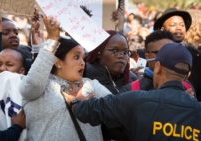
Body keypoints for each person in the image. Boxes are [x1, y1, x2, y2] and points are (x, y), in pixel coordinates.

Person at [64, 43, 201, 141]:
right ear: (187, 75)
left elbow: (86, 111)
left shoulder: (136, 101)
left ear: (157, 67)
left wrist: (75, 100)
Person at [19, 16, 111, 140]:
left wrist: (86, 107)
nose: (83, 63)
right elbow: (33, 84)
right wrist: (52, 41)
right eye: (76, 57)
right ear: (58, 62)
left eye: (83, 58)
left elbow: (115, 109)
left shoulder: (91, 85)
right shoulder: (42, 87)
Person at [120, 30, 195, 97]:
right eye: (159, 52)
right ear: (147, 56)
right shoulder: (131, 90)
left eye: (170, 52)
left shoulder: (186, 86)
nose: (166, 56)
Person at [154, 8, 201, 101]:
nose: (179, 28)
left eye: (182, 25)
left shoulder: (195, 55)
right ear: (163, 29)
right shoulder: (154, 51)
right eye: (173, 25)